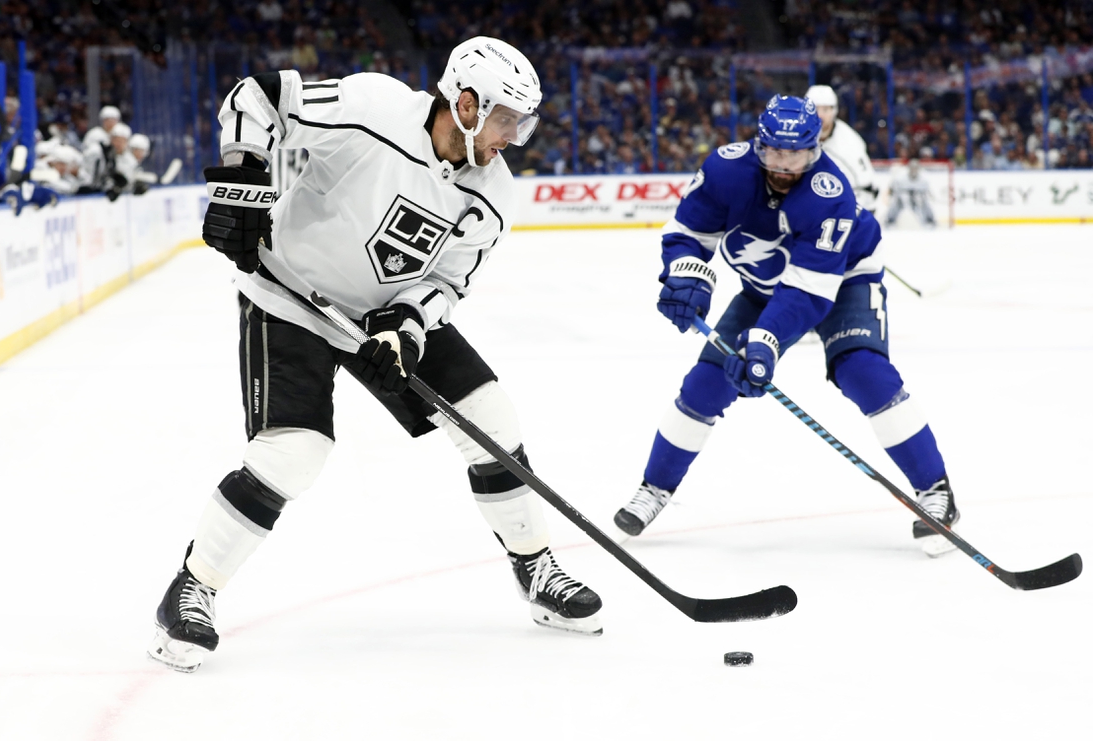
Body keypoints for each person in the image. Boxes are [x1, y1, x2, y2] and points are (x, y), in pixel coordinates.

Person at [148, 36, 603, 674]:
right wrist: (243, 182)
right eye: (506, 120)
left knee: (492, 420)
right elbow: (256, 96)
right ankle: (193, 588)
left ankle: (535, 569)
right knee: (293, 453)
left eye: (522, 124)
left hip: (378, 319)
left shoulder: (494, 192)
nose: (514, 137)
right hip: (288, 301)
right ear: (466, 104)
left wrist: (405, 327)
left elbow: (445, 281)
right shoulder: (373, 106)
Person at [612, 95, 959, 558]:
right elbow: (687, 234)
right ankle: (653, 490)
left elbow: (808, 293)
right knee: (705, 385)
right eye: (774, 152)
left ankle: (935, 490)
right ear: (759, 144)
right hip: (764, 286)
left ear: (814, 149)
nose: (783, 164)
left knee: (864, 372)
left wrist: (765, 344)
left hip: (844, 278)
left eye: (794, 154)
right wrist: (685, 274)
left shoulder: (830, 193)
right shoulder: (725, 171)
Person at [805, 85, 878, 212]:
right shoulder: (794, 136)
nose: (820, 116)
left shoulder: (849, 142)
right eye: (815, 110)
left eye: (826, 110)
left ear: (834, 111)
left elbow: (866, 188)